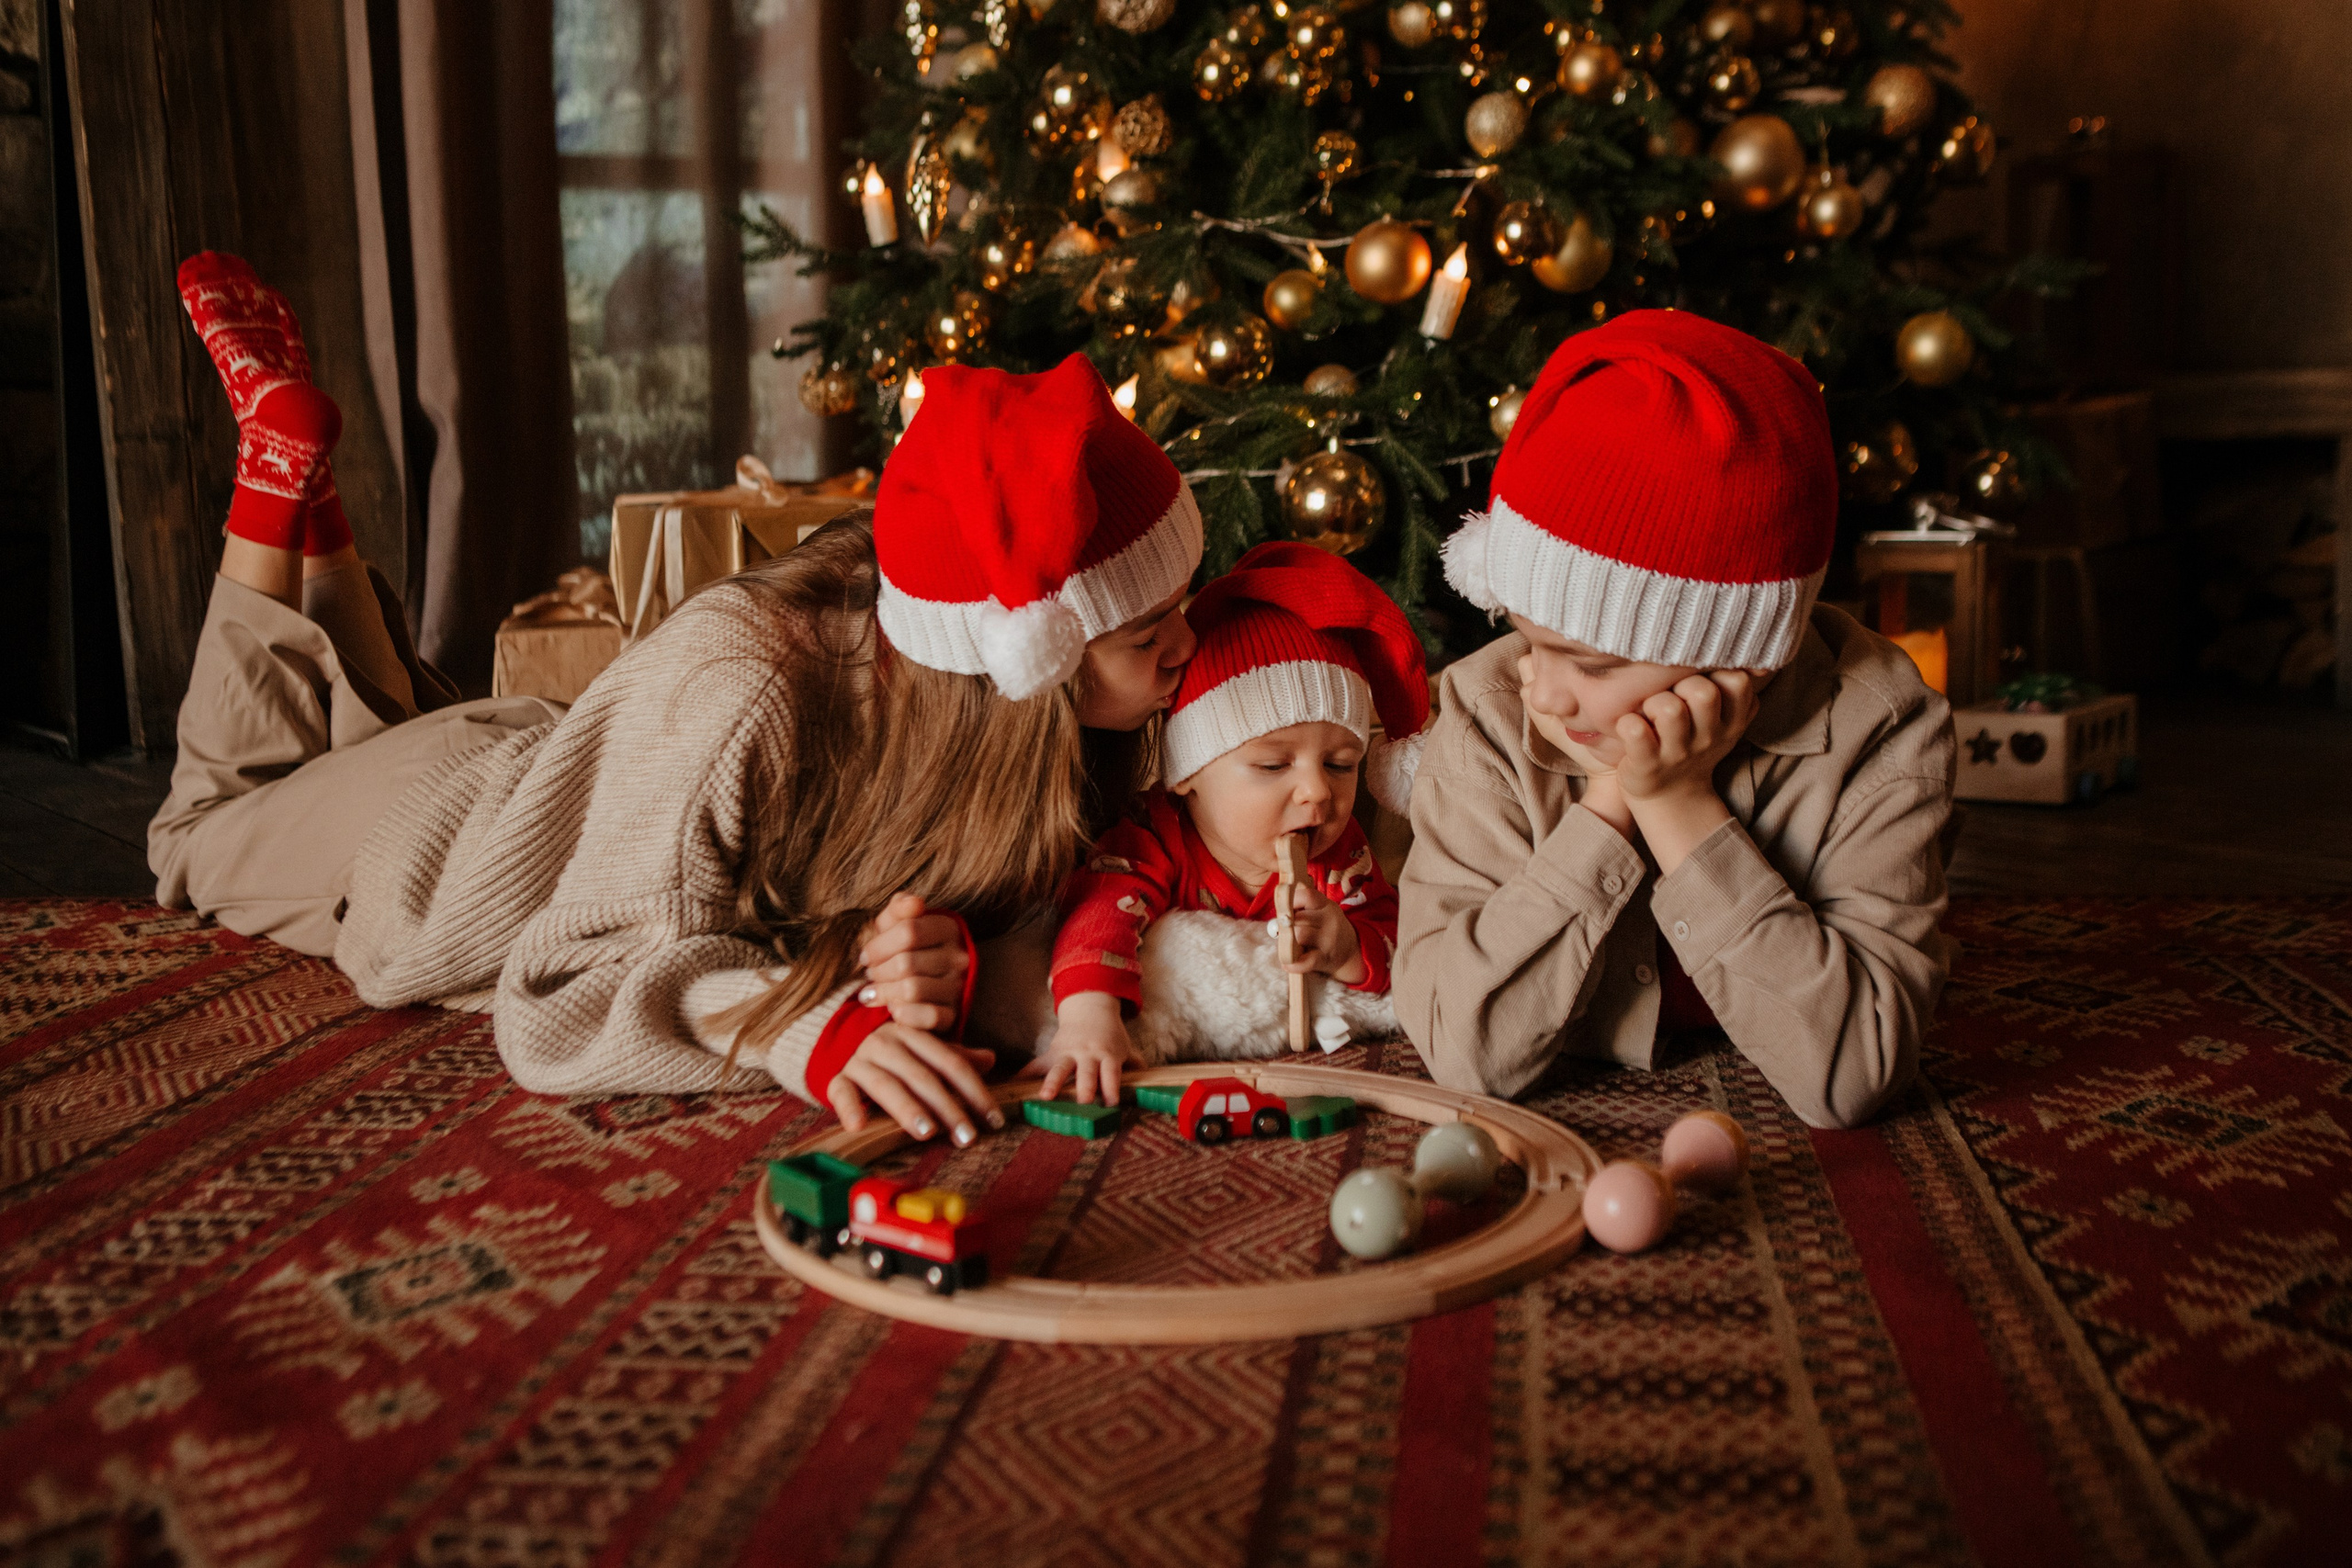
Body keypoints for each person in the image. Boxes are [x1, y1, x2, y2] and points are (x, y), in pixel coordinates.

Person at [150, 253, 1201, 1146]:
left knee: (355, 723)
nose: (1185, 652)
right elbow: (559, 989)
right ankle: (274, 476)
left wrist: (938, 959)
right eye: (1151, 634)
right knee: (196, 832)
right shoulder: (745, 686)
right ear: (1024, 658)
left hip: (556, 775)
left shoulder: (995, 715)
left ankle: (311, 500)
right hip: (431, 855)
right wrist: (808, 1030)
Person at [1395, 310, 1955, 1130]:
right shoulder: (1489, 709)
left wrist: (1677, 803)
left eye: (1592, 665)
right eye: (1526, 637)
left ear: (1740, 660)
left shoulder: (1885, 728)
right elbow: (1462, 1050)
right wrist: (1610, 805)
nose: (1545, 694)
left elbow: (1851, 1078)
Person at [1038, 542, 1428, 1102]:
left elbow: (1403, 950)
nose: (1318, 790)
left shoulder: (1340, 859)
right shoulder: (1152, 838)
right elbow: (1097, 920)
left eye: (1341, 764)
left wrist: (1345, 946)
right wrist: (1089, 1018)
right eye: (1273, 764)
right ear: (1188, 773)